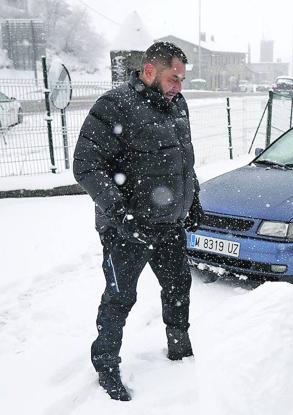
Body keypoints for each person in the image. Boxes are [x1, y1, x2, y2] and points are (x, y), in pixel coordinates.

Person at [73, 41, 204, 401]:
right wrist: (122, 214)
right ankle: (105, 366)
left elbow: (184, 162)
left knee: (179, 288)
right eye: (173, 77)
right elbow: (85, 166)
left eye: (181, 79)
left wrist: (193, 200)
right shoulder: (115, 106)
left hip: (170, 224)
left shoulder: (178, 105)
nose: (180, 86)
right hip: (127, 231)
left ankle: (180, 349)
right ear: (149, 71)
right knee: (119, 299)